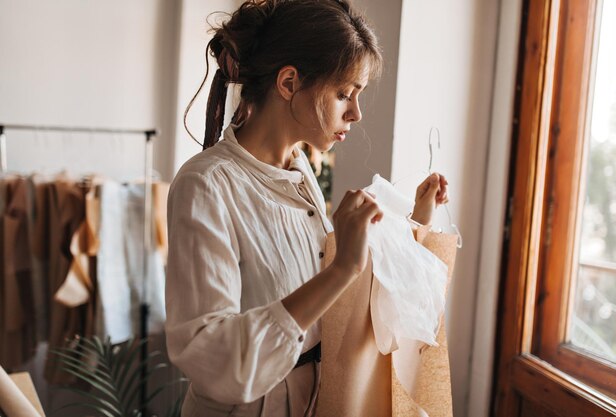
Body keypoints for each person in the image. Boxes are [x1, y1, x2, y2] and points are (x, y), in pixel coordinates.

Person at [165, 1, 449, 416]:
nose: (355, 113)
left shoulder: (300, 171)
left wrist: (418, 221)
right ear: (289, 82)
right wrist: (341, 269)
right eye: (343, 94)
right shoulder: (206, 185)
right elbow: (212, 358)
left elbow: (323, 307)